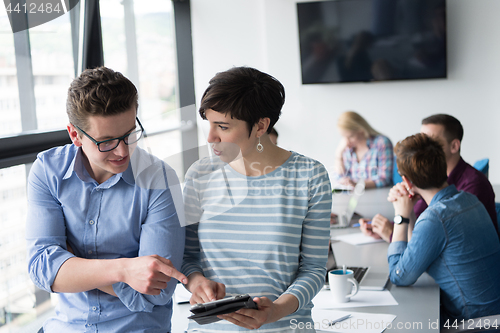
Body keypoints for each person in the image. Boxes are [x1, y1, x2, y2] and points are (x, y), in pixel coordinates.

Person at [26, 67, 187, 333]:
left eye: (129, 134)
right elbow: (42, 269)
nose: (123, 151)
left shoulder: (159, 178)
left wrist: (71, 261)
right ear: (75, 135)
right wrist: (124, 270)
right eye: (107, 142)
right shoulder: (48, 170)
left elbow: (157, 291)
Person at [181, 66, 332, 332]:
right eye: (210, 124)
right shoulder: (200, 175)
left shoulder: (310, 175)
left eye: (223, 127)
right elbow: (187, 255)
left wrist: (276, 310)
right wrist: (196, 282)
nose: (210, 137)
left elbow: (314, 269)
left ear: (261, 125)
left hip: (285, 327)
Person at [387, 133, 500, 325]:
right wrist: (411, 213)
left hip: (473, 324)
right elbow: (420, 249)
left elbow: (400, 275)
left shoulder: (436, 218)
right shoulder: (469, 199)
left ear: (407, 181)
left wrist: (401, 216)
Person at [359, 114, 498, 242]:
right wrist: (386, 225)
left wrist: (392, 233)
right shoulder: (429, 178)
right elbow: (419, 221)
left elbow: (435, 241)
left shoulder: (473, 185)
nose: (422, 147)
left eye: (431, 141)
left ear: (454, 146)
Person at [333, 110, 393, 189]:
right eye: (343, 137)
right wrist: (338, 154)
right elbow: (339, 177)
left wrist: (358, 185)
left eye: (350, 136)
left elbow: (384, 179)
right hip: (354, 197)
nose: (346, 141)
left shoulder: (381, 143)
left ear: (361, 130)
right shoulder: (347, 147)